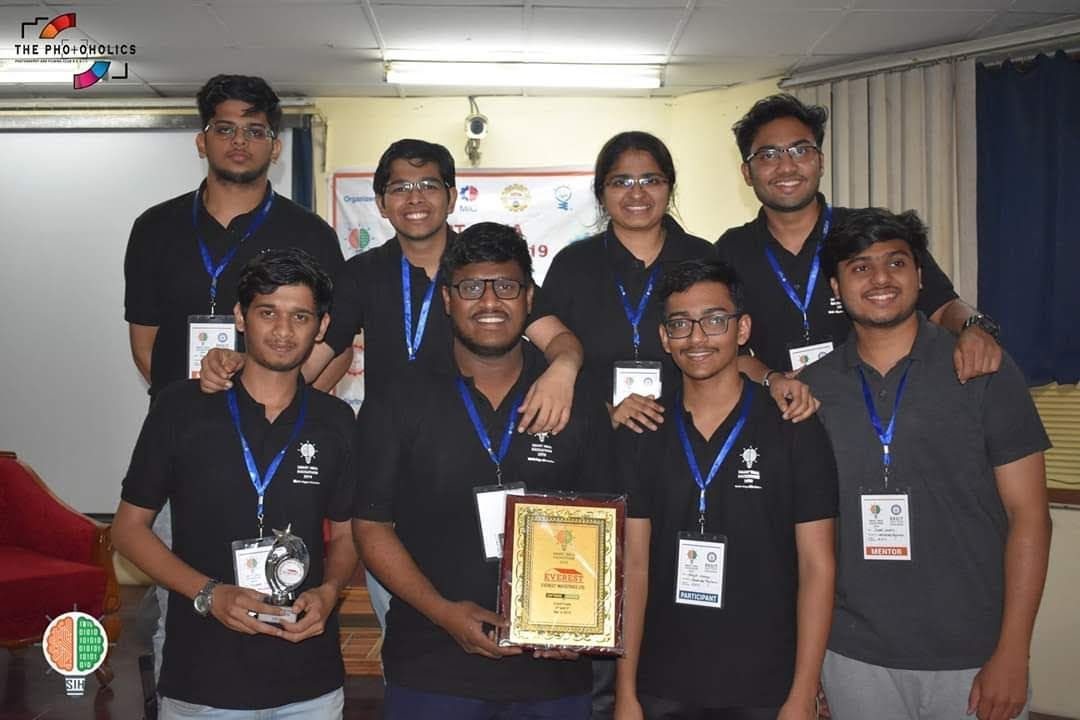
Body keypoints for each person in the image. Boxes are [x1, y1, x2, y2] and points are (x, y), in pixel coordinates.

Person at [199, 138, 585, 631]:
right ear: (381, 203)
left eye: (428, 185)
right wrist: (245, 376)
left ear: (452, 195)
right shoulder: (362, 273)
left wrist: (563, 371)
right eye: (400, 188)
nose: (415, 198)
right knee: (403, 616)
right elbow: (313, 355)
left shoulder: (481, 268)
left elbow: (560, 341)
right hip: (393, 461)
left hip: (475, 453)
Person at [122, 74, 346, 696]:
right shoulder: (156, 227)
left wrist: (268, 391)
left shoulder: (309, 232)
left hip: (283, 441)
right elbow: (146, 344)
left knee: (291, 584)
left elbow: (332, 341)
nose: (239, 141)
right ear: (202, 139)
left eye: (255, 130)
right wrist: (200, 405)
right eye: (225, 128)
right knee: (181, 600)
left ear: (275, 144)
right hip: (189, 445)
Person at [353, 222, 614, 720]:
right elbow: (371, 526)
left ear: (530, 298)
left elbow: (606, 525)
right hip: (431, 666)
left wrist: (583, 624)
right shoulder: (398, 397)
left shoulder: (575, 400)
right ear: (447, 299)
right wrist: (444, 614)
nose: (490, 301)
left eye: (507, 286)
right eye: (472, 287)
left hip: (553, 674)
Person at [800, 208, 1052, 720]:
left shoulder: (982, 369)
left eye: (896, 262)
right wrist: (812, 667)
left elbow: (1030, 516)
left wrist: (1013, 651)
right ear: (836, 287)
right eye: (860, 267)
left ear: (919, 276)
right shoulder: (813, 390)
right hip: (853, 655)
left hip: (974, 654)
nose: (880, 279)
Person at [112, 248, 358, 719]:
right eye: (268, 312)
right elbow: (127, 530)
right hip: (203, 680)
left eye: (300, 316)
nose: (283, 331)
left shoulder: (336, 421)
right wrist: (209, 593)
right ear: (241, 317)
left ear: (321, 327)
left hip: (309, 683)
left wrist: (330, 592)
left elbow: (347, 534)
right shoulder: (181, 408)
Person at [615, 258, 837, 720]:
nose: (697, 338)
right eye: (680, 324)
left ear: (742, 329)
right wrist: (626, 692)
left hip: (766, 685)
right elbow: (633, 567)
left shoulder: (793, 424)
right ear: (664, 338)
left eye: (715, 320)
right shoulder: (644, 430)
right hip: (663, 683)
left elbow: (817, 566)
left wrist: (803, 694)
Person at [715, 94, 1002, 421]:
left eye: (800, 150)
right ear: (747, 172)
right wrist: (772, 379)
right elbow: (727, 353)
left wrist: (975, 328)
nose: (787, 166)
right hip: (788, 416)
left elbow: (943, 305)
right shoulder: (731, 250)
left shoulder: (871, 232)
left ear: (821, 161)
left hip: (885, 410)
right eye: (768, 155)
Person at [534, 131, 714, 437]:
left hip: (693, 434)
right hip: (594, 437)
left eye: (651, 180)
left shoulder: (703, 258)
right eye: (621, 182)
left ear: (669, 187)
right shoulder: (573, 264)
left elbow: (728, 353)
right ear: (601, 192)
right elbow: (547, 360)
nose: (637, 194)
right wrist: (603, 412)